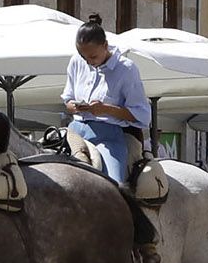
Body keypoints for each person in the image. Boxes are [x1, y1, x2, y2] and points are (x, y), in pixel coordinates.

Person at [62, 15, 152, 186]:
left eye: (93, 57)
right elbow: (67, 98)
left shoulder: (126, 69)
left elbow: (142, 115)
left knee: (114, 185)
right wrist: (73, 106)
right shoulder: (76, 62)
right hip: (74, 130)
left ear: (105, 45)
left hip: (109, 136)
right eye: (84, 57)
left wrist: (106, 109)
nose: (88, 62)